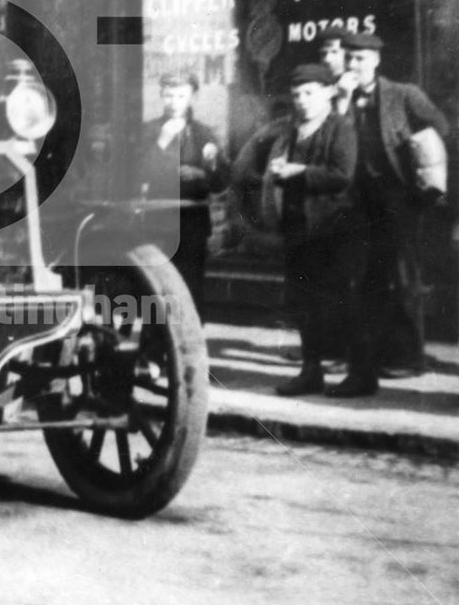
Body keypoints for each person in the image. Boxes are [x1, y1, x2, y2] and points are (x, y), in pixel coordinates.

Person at [232, 64, 359, 396]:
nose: (302, 101)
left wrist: (297, 171)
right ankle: (311, 370)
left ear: (329, 93)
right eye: (297, 94)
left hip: (332, 231)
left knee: (340, 301)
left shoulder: (340, 128)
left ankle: (360, 373)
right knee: (304, 304)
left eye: (310, 93)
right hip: (297, 231)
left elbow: (342, 175)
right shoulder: (289, 132)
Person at [336, 32, 449, 389]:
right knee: (367, 279)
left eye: (361, 59)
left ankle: (409, 357)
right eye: (349, 58)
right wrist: (340, 102)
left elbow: (440, 126)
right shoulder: (340, 98)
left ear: (376, 60)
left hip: (399, 198)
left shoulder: (403, 94)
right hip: (358, 202)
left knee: (403, 278)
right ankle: (374, 354)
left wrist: (417, 151)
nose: (354, 66)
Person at [138, 73, 228, 319]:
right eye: (168, 95)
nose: (174, 102)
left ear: (193, 97)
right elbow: (139, 173)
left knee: (191, 284)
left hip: (193, 220)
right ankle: (153, 348)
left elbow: (220, 182)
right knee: (157, 285)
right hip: (159, 219)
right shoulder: (150, 131)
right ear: (161, 96)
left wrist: (208, 169)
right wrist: (163, 141)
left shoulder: (203, 134)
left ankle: (192, 347)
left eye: (181, 96)